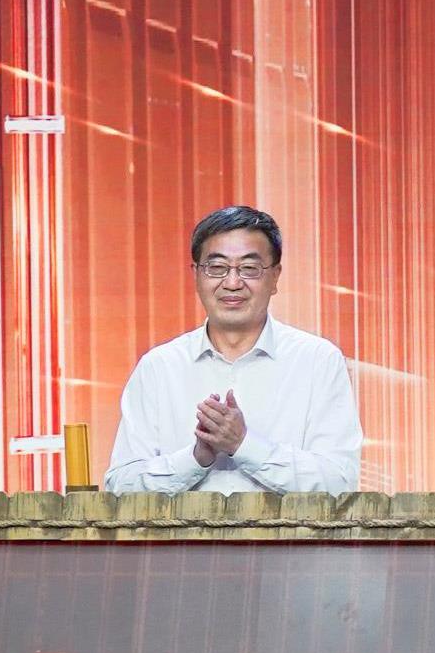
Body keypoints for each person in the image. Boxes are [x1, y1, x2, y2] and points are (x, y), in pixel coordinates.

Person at [102, 206, 363, 494]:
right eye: (217, 268)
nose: (232, 283)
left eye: (249, 268)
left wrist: (244, 445)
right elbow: (121, 485)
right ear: (196, 275)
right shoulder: (159, 367)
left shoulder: (317, 361)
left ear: (275, 277)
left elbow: (339, 481)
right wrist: (195, 459)